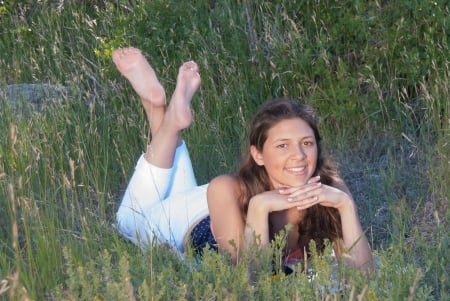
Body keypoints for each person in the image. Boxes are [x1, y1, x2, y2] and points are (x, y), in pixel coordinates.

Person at [113, 47, 373, 272]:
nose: (299, 156)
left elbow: (365, 275)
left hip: (209, 202)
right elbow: (248, 279)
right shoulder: (228, 188)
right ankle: (160, 110)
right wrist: (260, 208)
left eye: (307, 143)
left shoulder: (329, 188)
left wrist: (346, 206)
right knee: (126, 223)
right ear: (257, 154)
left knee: (172, 182)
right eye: (283, 145)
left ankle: (159, 109)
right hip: (176, 217)